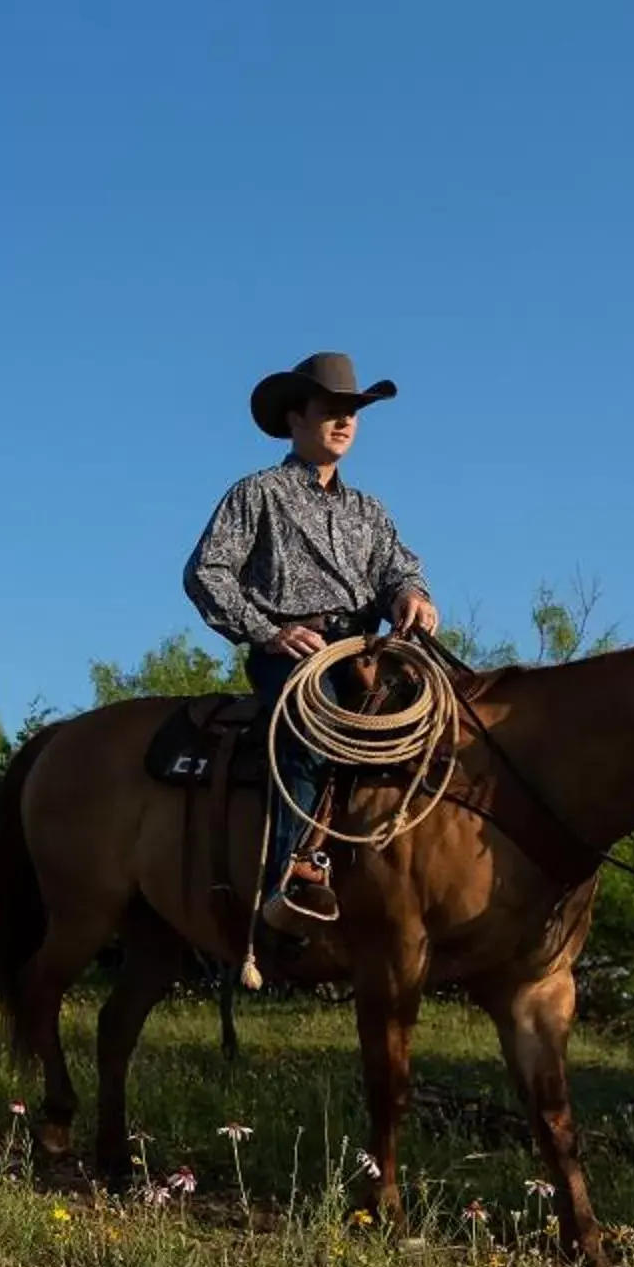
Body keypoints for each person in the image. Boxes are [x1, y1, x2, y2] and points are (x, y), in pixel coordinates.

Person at [182, 351, 440, 931]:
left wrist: (410, 596)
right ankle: (288, 876)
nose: (345, 421)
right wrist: (268, 632)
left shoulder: (369, 511)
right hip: (295, 654)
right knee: (307, 735)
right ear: (296, 419)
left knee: (438, 726)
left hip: (367, 653)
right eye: (332, 410)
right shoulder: (258, 494)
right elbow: (207, 572)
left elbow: (400, 569)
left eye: (353, 412)